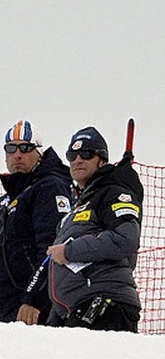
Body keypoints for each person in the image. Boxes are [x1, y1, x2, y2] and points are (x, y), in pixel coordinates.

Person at [0, 121, 71, 324]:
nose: (17, 154)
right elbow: (14, 257)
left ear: (40, 153)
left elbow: (52, 249)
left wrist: (34, 299)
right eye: (11, 148)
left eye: (26, 148)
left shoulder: (50, 187)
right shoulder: (5, 201)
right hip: (2, 306)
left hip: (33, 308)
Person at [45, 126, 143, 332]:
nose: (78, 159)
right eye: (72, 154)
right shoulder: (76, 208)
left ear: (102, 160)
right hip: (74, 310)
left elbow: (126, 239)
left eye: (87, 153)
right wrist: (54, 320)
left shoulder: (113, 193)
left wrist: (70, 251)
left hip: (105, 307)